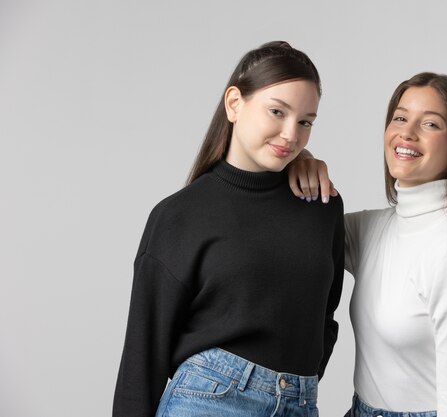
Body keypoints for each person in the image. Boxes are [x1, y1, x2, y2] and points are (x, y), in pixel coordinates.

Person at [113, 41, 344, 417]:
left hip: (299, 404)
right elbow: (143, 354)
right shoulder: (179, 216)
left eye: (305, 122)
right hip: (210, 402)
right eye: (276, 111)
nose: (290, 134)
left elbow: (325, 316)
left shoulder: (321, 204)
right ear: (234, 103)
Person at [289, 72, 447, 417]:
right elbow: (304, 224)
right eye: (400, 118)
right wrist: (302, 157)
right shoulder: (376, 228)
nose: (407, 132)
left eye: (430, 124)